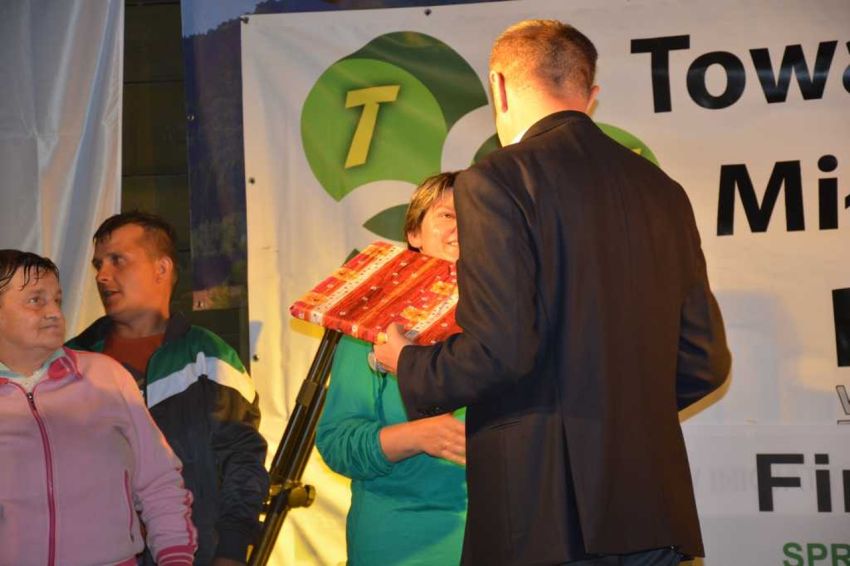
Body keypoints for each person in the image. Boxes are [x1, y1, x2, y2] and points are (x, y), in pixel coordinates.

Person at [375, 20, 731, 566]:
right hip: (651, 507)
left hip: (543, 511)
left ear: (498, 86)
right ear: (589, 94)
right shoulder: (663, 191)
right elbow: (705, 361)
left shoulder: (495, 180)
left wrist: (408, 362)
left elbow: (501, 349)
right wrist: (618, 414)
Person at [67, 212, 269, 566]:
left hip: (195, 555)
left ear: (161, 268)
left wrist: (232, 550)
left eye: (117, 260)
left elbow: (243, 461)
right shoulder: (72, 362)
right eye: (99, 264)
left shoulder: (210, 357)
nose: (102, 275)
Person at [0, 249, 197, 565]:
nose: (54, 313)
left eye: (57, 300)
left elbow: (158, 481)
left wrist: (175, 558)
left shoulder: (104, 377)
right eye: (36, 300)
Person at [316, 172, 467, 566]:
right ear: (414, 233)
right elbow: (337, 441)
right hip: (398, 541)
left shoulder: (511, 319)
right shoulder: (373, 321)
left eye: (477, 215)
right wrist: (419, 436)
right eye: (447, 215)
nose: (463, 228)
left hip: (503, 537)